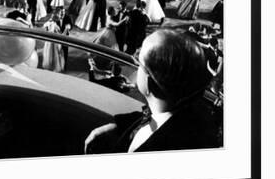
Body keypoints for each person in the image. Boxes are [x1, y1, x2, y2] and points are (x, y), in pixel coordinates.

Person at [84, 29, 221, 154]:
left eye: (139, 63)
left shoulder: (155, 150)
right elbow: (151, 117)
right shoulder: (191, 110)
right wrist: (119, 125)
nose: (137, 67)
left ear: (148, 82)